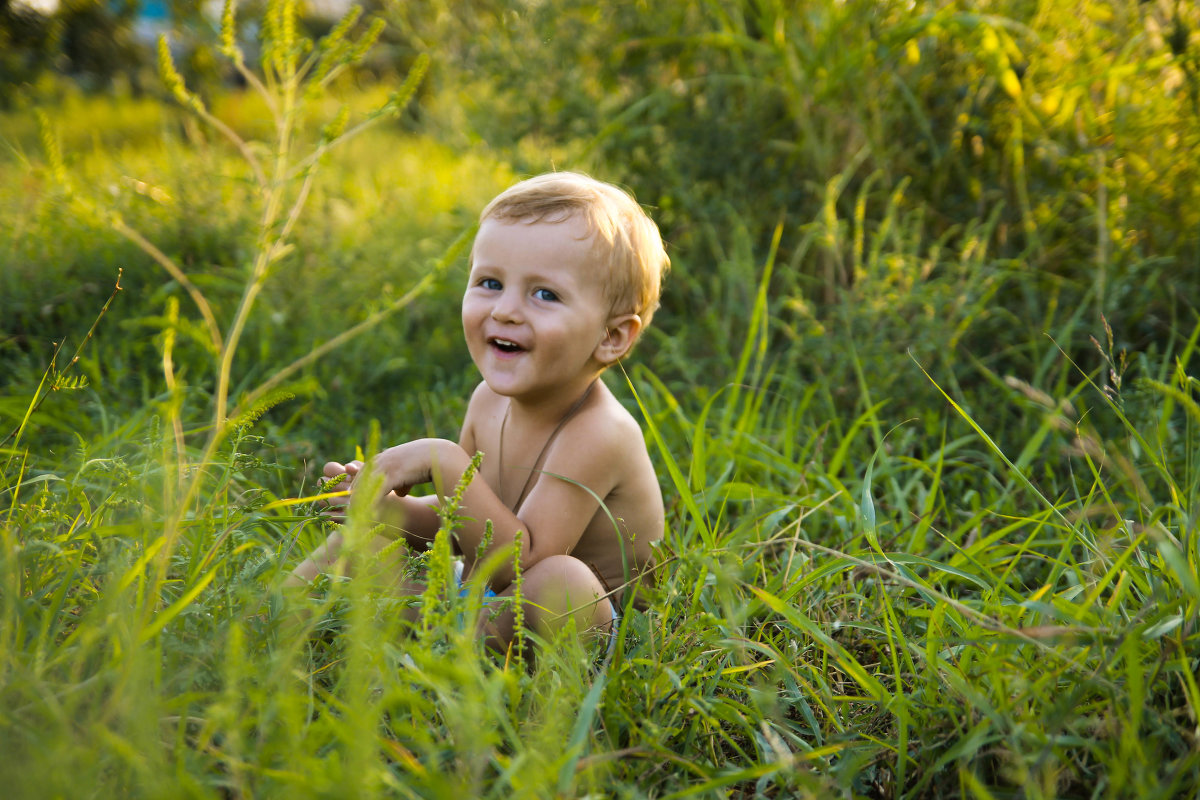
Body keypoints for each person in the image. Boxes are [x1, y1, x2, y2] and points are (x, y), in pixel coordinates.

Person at [288, 172, 670, 651]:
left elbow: (522, 562)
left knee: (563, 581)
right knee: (361, 539)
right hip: (485, 596)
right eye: (490, 282)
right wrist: (391, 511)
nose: (506, 310)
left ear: (611, 337)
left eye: (545, 294)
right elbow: (462, 524)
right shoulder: (486, 402)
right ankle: (271, 614)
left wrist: (444, 460)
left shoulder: (600, 432)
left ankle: (437, 640)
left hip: (579, 615)